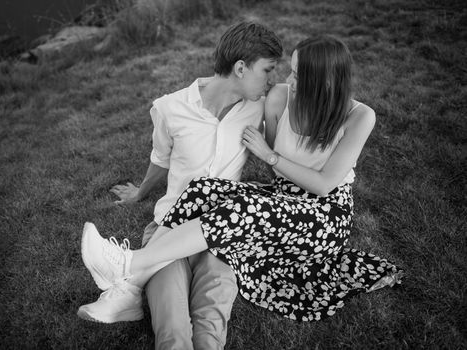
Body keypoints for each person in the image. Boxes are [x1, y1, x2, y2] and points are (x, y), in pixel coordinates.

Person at [79, 35, 403, 324]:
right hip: (284, 195)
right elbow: (275, 168)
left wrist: (269, 155)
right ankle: (129, 291)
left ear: (325, 82)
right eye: (289, 70)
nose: (288, 80)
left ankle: (128, 262)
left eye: (298, 75)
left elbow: (323, 185)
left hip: (326, 217)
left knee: (246, 206)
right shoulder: (279, 98)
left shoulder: (360, 116)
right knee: (202, 189)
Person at [77, 21, 283, 350]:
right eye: (268, 70)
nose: (274, 80)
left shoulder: (260, 106)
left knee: (210, 322)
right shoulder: (170, 108)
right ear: (241, 68)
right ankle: (126, 291)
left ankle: (126, 282)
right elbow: (160, 159)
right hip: (167, 227)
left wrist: (269, 154)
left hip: (223, 231)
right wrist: (140, 194)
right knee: (171, 325)